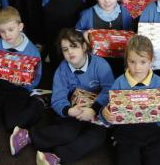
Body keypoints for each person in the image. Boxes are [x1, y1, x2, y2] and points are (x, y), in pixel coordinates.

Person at [30, 29, 115, 165]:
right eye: (65, 49)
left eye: (74, 46)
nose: (70, 52)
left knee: (96, 138)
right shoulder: (62, 70)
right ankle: (30, 137)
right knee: (67, 132)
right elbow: (58, 98)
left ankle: (56, 156)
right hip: (73, 109)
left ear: (84, 47)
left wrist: (94, 109)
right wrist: (70, 111)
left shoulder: (101, 65)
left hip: (97, 112)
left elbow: (109, 90)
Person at [0, 8, 45, 154]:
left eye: (11, 29)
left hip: (20, 89)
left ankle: (38, 103)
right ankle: (3, 109)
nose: (6, 35)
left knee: (12, 124)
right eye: (2, 31)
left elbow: (36, 79)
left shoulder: (32, 51)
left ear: (20, 27)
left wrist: (22, 84)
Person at [101, 35, 160, 165]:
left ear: (151, 60)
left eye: (143, 62)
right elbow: (109, 112)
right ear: (126, 60)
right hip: (126, 135)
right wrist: (105, 114)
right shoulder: (119, 83)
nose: (137, 67)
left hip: (154, 135)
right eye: (132, 62)